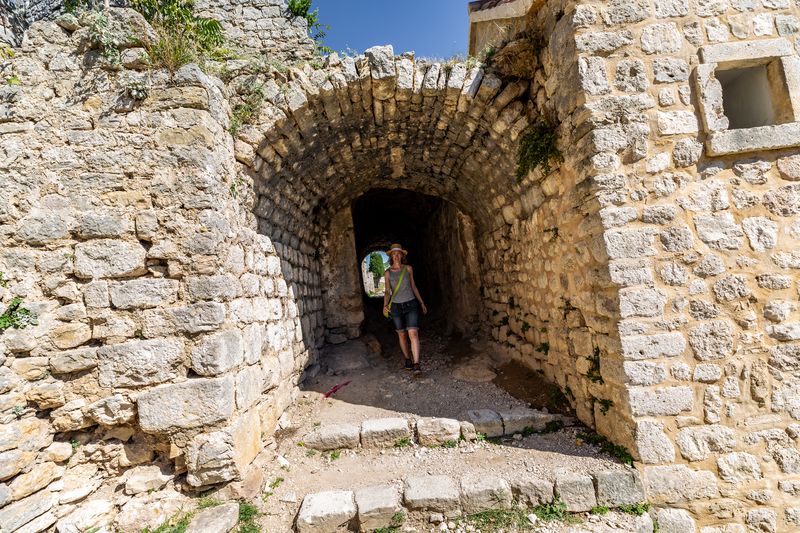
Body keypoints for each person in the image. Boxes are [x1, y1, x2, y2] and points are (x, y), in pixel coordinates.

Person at [383, 243, 428, 372]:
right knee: (402, 334)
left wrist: (421, 302)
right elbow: (387, 291)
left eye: (398, 253)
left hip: (411, 304)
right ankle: (407, 358)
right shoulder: (387, 273)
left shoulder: (408, 269)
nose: (396, 256)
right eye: (394, 254)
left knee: (413, 333)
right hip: (396, 307)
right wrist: (385, 305)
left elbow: (413, 286)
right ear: (391, 256)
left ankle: (416, 363)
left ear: (402, 255)